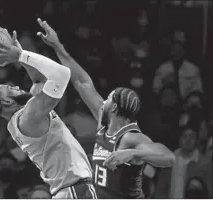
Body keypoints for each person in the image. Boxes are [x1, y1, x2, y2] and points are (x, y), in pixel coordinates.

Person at [37, 18, 176, 198]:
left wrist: (131, 153)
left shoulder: (130, 137)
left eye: (108, 98)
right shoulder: (104, 121)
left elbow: (169, 157)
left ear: (115, 108)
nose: (103, 101)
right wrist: (57, 46)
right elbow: (81, 82)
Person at [0, 30, 97, 199]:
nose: (16, 87)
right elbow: (62, 74)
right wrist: (21, 55)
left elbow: (40, 81)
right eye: (10, 89)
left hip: (69, 190)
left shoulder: (25, 116)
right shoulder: (29, 116)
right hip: (75, 191)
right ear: (7, 102)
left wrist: (22, 59)